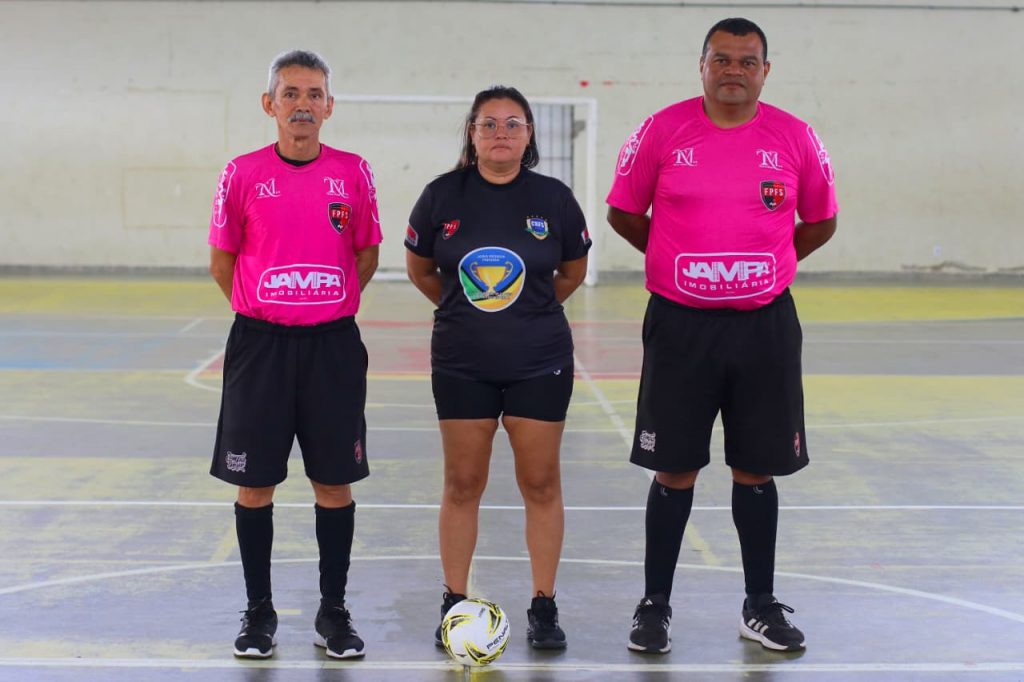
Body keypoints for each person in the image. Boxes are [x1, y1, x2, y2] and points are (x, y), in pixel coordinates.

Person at [606, 18, 838, 654]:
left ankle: (759, 605)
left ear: (766, 70)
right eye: (722, 59)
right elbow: (623, 211)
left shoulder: (795, 136)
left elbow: (821, 220)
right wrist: (675, 255)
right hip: (681, 325)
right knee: (674, 467)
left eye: (747, 60)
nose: (734, 70)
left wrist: (769, 261)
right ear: (702, 65)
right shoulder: (662, 130)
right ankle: (654, 606)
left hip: (764, 327)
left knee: (756, 468)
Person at [207, 49, 382, 660]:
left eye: (313, 94)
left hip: (332, 346)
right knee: (254, 484)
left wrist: (321, 306)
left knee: (334, 482)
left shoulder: (353, 172)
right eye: (290, 93)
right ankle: (259, 612)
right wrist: (268, 309)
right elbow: (223, 262)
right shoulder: (242, 172)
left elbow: (365, 254)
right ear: (270, 104)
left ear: (329, 106)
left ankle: (333, 611)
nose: (302, 104)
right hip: (261, 347)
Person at [405, 86, 591, 651]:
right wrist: (466, 311)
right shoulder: (441, 196)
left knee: (541, 482)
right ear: (472, 132)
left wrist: (528, 313)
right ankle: (454, 601)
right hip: (462, 363)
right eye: (489, 123)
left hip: (540, 362)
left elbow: (571, 273)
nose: (501, 133)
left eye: (513, 123)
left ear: (529, 134)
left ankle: (543, 605)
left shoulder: (554, 199)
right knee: (463, 483)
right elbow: (421, 270)